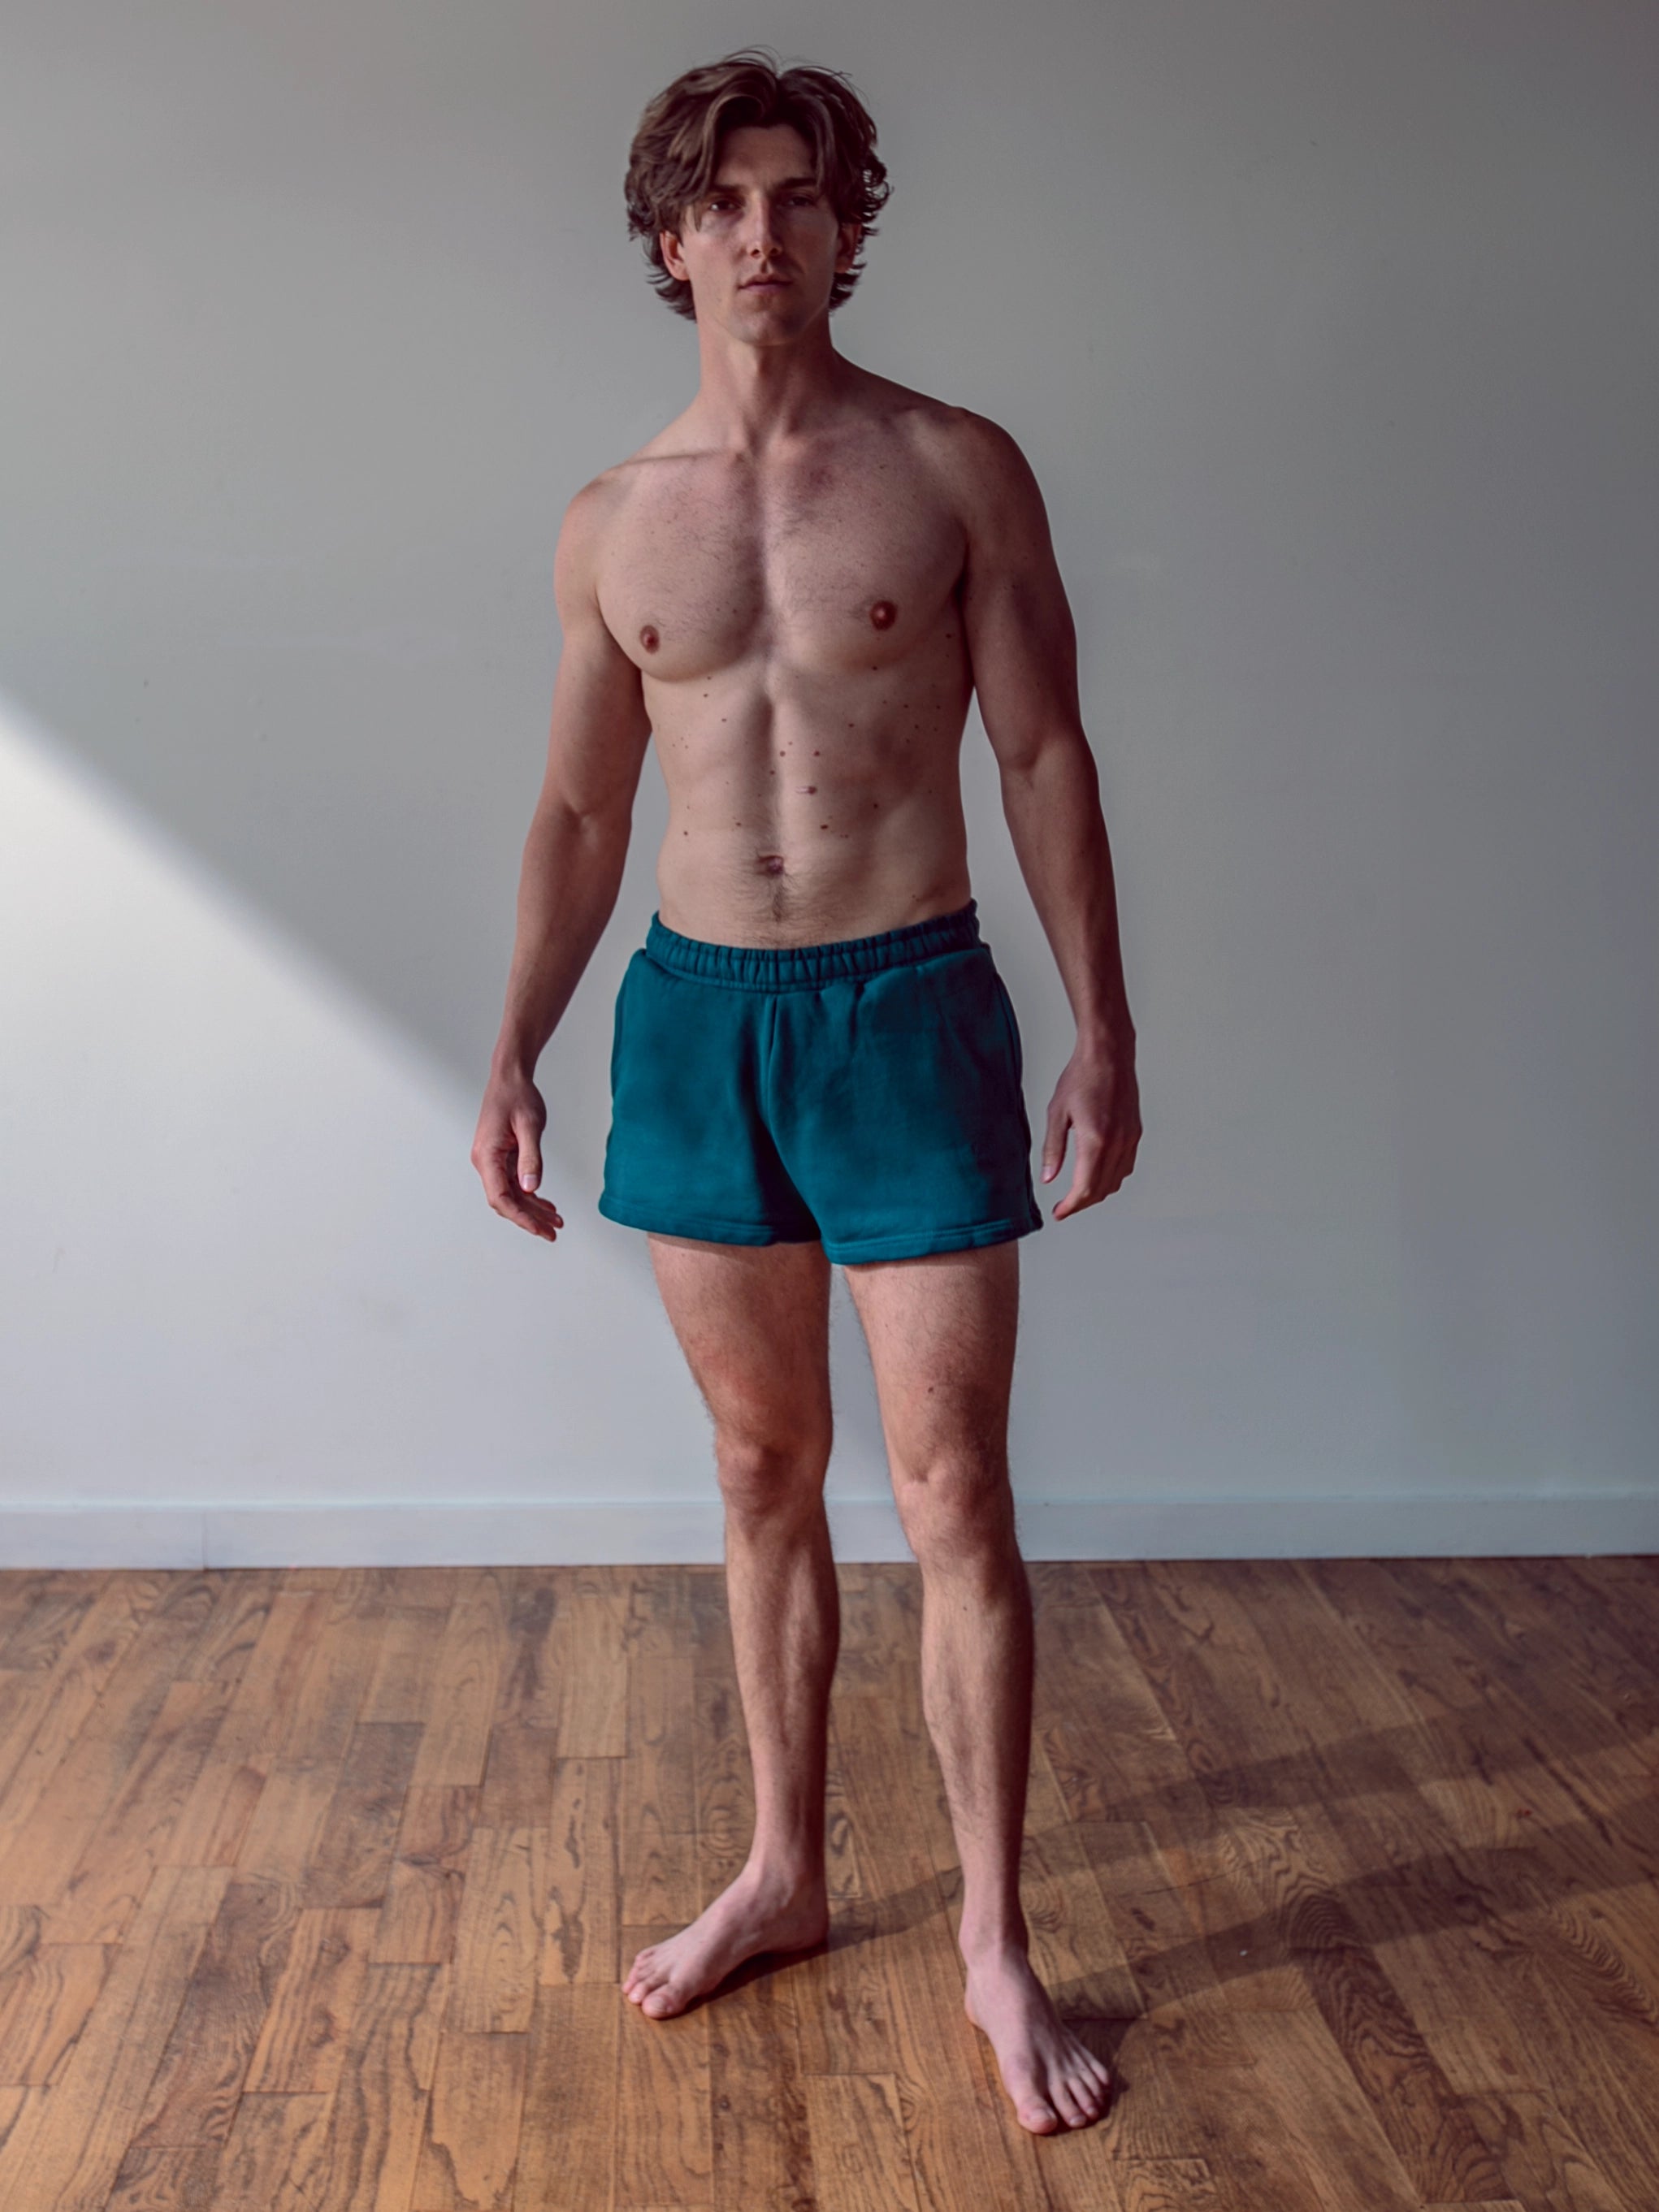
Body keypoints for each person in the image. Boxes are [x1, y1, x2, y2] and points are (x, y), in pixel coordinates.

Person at [471, 50, 1141, 2136]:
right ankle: (783, 1869)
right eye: (723, 202)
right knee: (761, 1473)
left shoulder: (952, 470)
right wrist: (511, 1046)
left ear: (847, 226)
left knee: (954, 1493)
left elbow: (1041, 754)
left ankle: (993, 1941)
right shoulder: (611, 522)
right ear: (668, 241)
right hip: (695, 1019)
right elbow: (584, 811)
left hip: (906, 1009)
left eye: (798, 196)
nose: (762, 234)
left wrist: (1105, 1028)